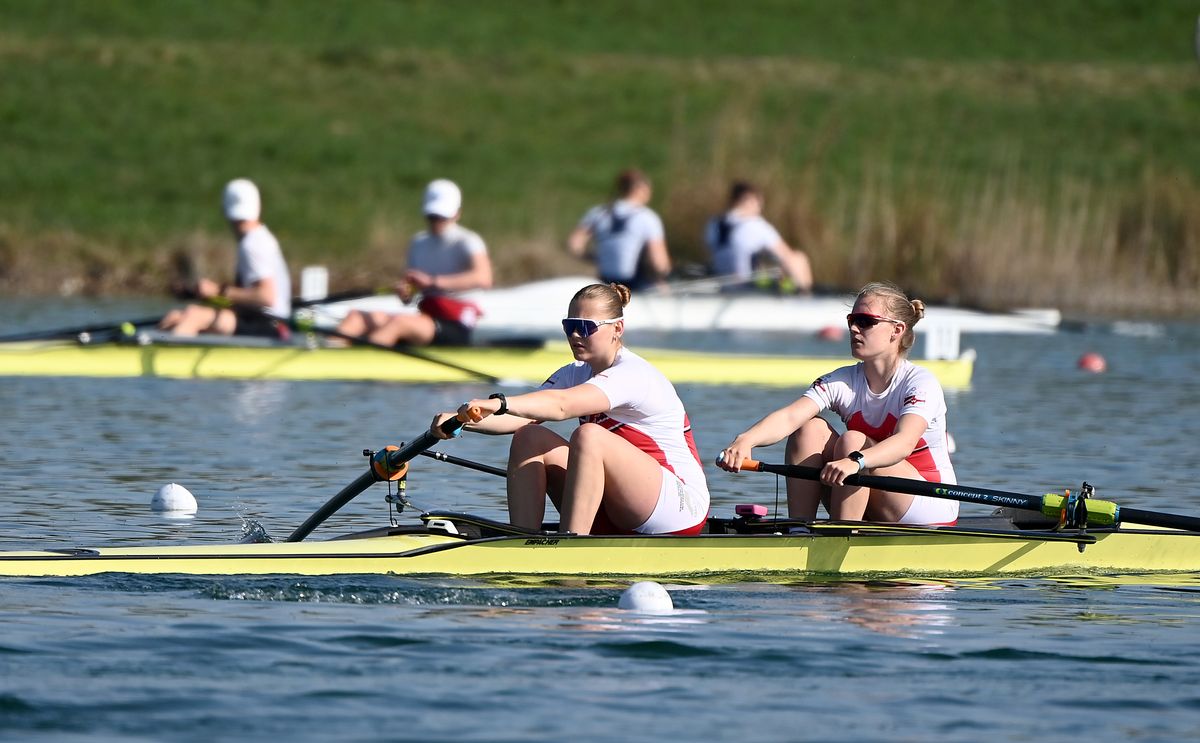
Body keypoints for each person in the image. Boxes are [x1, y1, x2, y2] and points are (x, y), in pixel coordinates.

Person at [431, 282, 709, 535]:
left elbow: (561, 406)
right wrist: (460, 420)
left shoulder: (634, 375)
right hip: (621, 504)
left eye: (586, 327)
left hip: (677, 508)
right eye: (569, 325)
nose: (575, 334)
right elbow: (516, 419)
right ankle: (522, 539)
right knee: (529, 436)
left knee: (589, 435)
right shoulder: (575, 372)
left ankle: (570, 546)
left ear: (618, 328)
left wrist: (498, 402)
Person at [716, 281, 957, 525]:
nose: (854, 329)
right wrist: (746, 440)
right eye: (851, 320)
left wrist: (857, 461)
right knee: (808, 429)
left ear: (896, 330)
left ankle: (842, 536)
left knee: (852, 440)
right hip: (869, 488)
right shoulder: (843, 381)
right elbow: (790, 417)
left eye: (865, 321)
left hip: (929, 501)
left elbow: (904, 443)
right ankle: (800, 529)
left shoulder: (920, 383)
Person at [336, 179, 492, 346]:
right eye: (432, 217)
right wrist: (406, 292)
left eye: (442, 217)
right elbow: (409, 297)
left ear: (457, 214)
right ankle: (326, 360)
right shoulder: (418, 243)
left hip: (455, 323)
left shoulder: (468, 241)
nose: (436, 221)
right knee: (356, 317)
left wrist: (432, 281)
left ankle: (362, 364)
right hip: (426, 317)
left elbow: (484, 278)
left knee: (399, 323)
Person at [158, 179, 292, 338]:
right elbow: (247, 300)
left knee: (194, 316)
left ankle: (172, 359)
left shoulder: (252, 243)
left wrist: (218, 290)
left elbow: (266, 297)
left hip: (271, 323)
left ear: (225, 208)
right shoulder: (259, 238)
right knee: (177, 316)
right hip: (260, 318)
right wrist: (199, 294)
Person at [567, 169, 671, 290]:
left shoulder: (598, 213)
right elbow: (659, 263)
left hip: (605, 283)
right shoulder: (647, 217)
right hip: (635, 286)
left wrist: (597, 257)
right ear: (641, 189)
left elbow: (573, 245)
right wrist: (665, 280)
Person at [705, 180, 813, 293]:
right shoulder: (756, 224)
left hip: (723, 284)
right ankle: (807, 298)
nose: (760, 207)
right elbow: (787, 255)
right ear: (750, 201)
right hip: (745, 286)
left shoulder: (714, 223)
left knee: (764, 263)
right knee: (798, 258)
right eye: (759, 202)